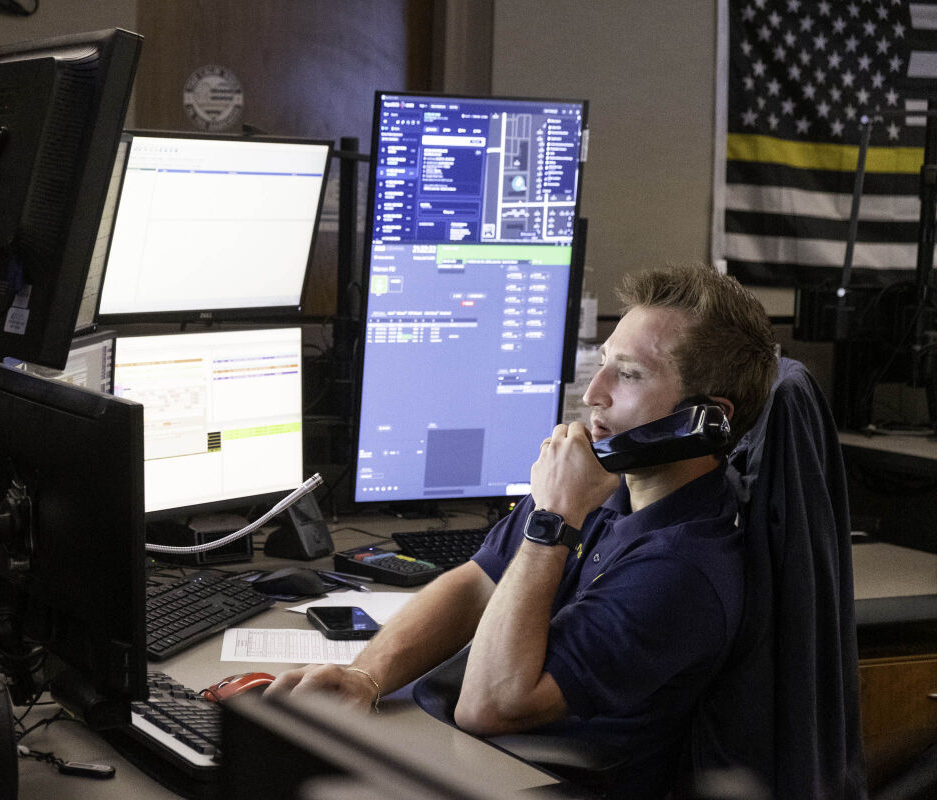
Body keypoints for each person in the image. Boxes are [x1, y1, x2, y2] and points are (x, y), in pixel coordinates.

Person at [265, 262, 778, 800]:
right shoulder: (605, 484)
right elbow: (475, 584)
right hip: (462, 754)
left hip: (533, 781)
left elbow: (489, 706)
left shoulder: (684, 567)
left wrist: (553, 520)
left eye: (628, 375)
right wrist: (365, 678)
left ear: (706, 418)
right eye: (602, 364)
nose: (593, 395)